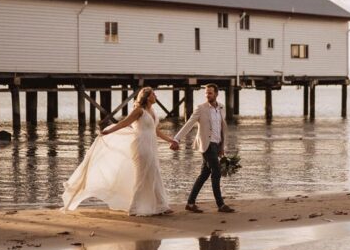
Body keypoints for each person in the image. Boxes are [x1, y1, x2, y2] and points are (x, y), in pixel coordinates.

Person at [62, 87, 174, 216]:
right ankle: (135, 208)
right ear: (147, 97)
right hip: (140, 146)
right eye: (153, 94)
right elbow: (124, 123)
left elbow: (155, 131)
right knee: (142, 176)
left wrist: (170, 140)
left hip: (152, 146)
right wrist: (109, 131)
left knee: (154, 173)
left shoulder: (152, 111)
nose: (156, 96)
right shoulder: (139, 111)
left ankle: (161, 205)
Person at [172, 83, 235, 213]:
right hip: (207, 144)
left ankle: (190, 203)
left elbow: (222, 128)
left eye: (210, 93)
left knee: (204, 174)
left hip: (216, 144)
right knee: (216, 171)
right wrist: (176, 139)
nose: (207, 95)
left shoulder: (221, 107)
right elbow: (189, 124)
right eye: (206, 93)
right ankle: (220, 204)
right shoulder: (201, 108)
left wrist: (222, 146)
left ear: (216, 94)